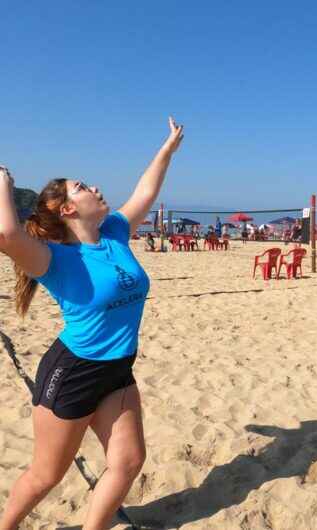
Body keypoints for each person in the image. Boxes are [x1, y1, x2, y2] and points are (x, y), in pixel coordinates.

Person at [0, 117, 183, 529]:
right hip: (74, 371)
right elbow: (7, 235)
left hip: (118, 368)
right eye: (82, 187)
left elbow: (145, 191)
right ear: (67, 209)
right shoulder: (53, 258)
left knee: (129, 461)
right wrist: (3, 184)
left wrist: (167, 149)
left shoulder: (115, 232)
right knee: (47, 475)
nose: (95, 188)